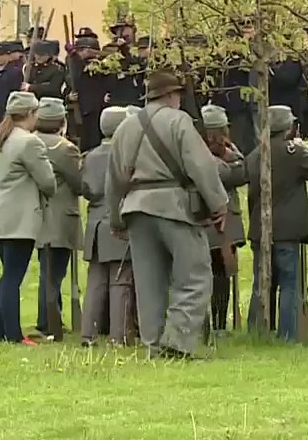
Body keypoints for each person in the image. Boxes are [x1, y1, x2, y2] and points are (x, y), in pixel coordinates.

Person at [107, 70, 229, 359]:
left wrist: (115, 217)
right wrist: (219, 204)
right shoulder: (179, 121)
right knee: (195, 276)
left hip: (135, 207)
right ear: (172, 95)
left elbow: (113, 178)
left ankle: (153, 346)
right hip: (174, 206)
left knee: (149, 283)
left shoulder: (125, 128)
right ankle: (176, 342)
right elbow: (201, 167)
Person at [245, 105, 308, 340]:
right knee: (290, 285)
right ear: (289, 127)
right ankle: (288, 334)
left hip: (261, 228)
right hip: (289, 231)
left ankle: (257, 332)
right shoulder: (295, 153)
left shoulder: (256, 154)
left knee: (261, 284)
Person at [0, 91, 55, 345]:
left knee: (7, 274)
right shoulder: (29, 142)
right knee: (13, 277)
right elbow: (48, 181)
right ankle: (13, 334)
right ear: (32, 114)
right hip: (19, 217)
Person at [80, 107, 135, 346]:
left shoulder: (89, 156)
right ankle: (118, 335)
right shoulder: (125, 155)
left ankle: (88, 334)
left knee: (95, 282)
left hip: (94, 223)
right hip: (118, 220)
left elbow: (84, 188)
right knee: (120, 281)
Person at [32, 97, 82, 340]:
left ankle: (51, 317)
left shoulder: (30, 142)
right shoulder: (64, 148)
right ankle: (48, 321)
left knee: (48, 270)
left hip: (38, 216)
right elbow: (79, 183)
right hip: (60, 217)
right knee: (53, 274)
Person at [197, 105, 248, 333]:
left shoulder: (229, 151)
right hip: (209, 221)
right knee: (211, 274)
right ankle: (208, 324)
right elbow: (227, 174)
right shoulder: (199, 154)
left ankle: (219, 324)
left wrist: (232, 158)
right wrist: (230, 161)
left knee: (222, 275)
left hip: (225, 222)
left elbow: (242, 172)